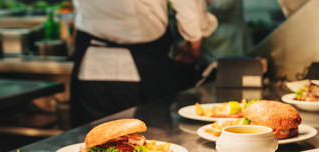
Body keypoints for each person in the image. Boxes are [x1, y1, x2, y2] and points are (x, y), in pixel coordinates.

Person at [70, 0, 217, 127]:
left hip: (90, 67)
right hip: (144, 71)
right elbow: (191, 11)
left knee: (92, 142)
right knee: (149, 143)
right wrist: (195, 44)